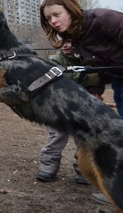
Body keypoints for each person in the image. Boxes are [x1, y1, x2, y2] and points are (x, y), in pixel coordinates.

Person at [40, 0, 123, 204]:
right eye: (48, 19)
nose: (53, 21)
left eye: (56, 14)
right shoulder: (76, 39)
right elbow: (99, 65)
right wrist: (96, 89)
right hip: (121, 82)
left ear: (71, 10)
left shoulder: (105, 19)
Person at [36, 40, 104, 184]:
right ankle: (47, 169)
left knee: (84, 140)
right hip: (59, 108)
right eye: (61, 42)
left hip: (83, 109)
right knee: (56, 138)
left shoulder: (87, 61)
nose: (65, 45)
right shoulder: (54, 62)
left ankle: (83, 171)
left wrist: (94, 88)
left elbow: (96, 81)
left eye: (69, 42)